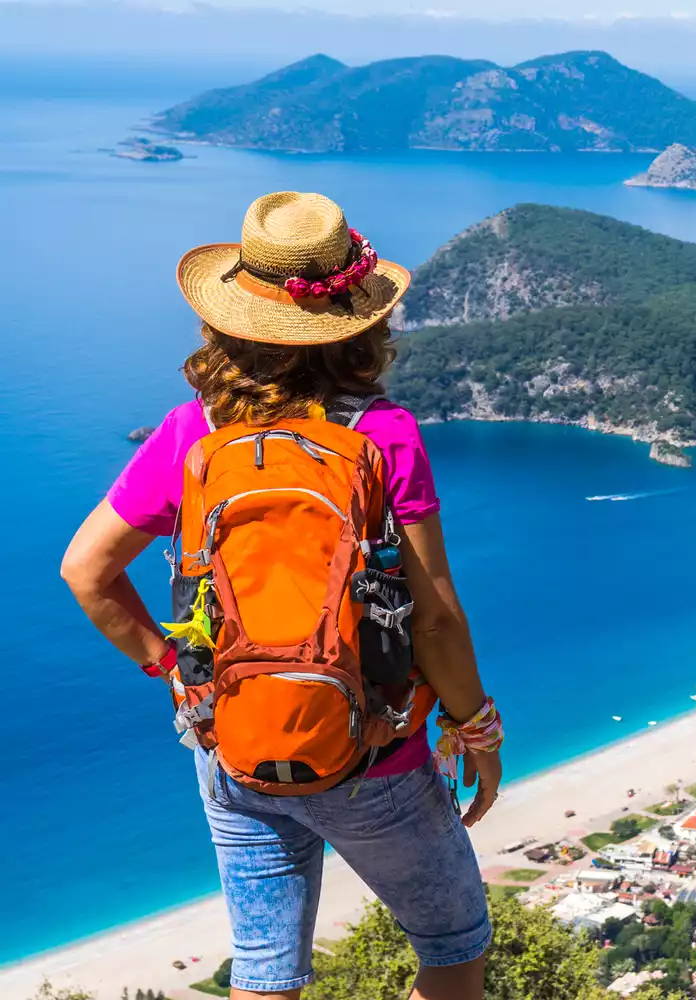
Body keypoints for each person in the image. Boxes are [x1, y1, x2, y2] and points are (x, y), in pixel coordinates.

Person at [60, 192, 500, 1000]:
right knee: (453, 944)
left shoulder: (190, 432)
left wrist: (176, 673)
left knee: (266, 970)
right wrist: (478, 730)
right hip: (377, 754)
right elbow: (436, 618)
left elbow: (86, 571)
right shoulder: (385, 436)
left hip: (234, 744)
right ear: (360, 324)